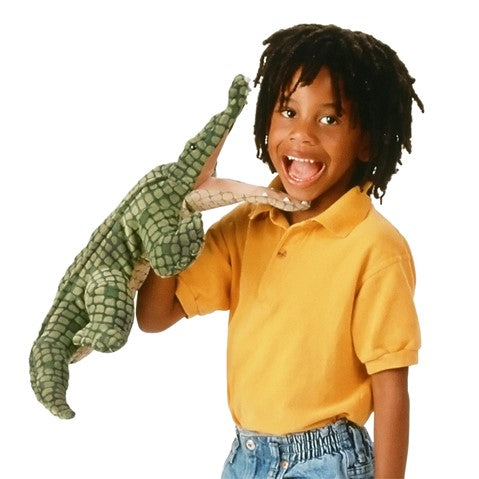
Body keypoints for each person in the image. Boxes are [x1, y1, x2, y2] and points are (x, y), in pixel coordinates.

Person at [137, 23, 423, 479]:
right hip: (246, 457)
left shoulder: (375, 248)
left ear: (367, 140)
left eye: (329, 119)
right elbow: (154, 316)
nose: (301, 134)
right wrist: (177, 213)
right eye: (288, 111)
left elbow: (391, 390)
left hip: (327, 461)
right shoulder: (248, 225)